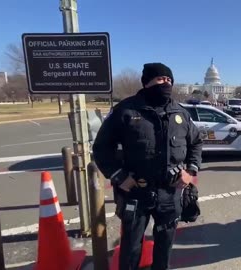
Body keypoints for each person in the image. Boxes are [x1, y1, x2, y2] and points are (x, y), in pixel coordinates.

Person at [93, 63, 203, 270]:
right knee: (131, 248)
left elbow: (196, 143)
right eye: (161, 79)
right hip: (136, 191)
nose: (166, 83)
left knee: (165, 247)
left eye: (169, 80)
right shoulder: (126, 110)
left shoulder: (180, 113)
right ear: (147, 83)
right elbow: (101, 148)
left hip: (170, 194)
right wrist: (119, 176)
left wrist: (191, 170)